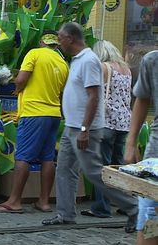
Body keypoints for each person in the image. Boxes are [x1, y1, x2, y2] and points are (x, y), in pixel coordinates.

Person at [42, 22, 138, 233]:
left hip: (85, 129)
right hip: (72, 127)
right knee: (65, 170)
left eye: (60, 38)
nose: (59, 42)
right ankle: (65, 214)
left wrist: (85, 129)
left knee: (93, 172)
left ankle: (134, 209)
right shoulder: (77, 60)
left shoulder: (89, 60)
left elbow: (94, 95)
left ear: (71, 38)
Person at [0, 32, 68, 214]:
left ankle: (15, 201)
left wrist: (15, 86)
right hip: (54, 114)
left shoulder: (34, 54)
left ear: (42, 42)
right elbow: (62, 93)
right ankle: (44, 201)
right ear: (56, 45)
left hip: (33, 113)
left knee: (23, 156)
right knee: (47, 158)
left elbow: (23, 79)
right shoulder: (63, 64)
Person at [82, 40, 132, 218]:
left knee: (102, 167)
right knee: (118, 166)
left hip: (107, 122)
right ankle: (125, 204)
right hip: (124, 122)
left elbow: (94, 95)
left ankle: (101, 207)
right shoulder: (126, 70)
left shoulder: (104, 68)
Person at [124, 50, 158, 245]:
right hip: (155, 158)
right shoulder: (152, 60)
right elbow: (142, 99)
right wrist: (131, 142)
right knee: (151, 218)